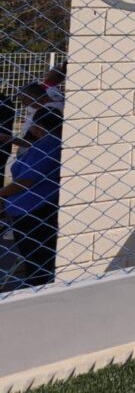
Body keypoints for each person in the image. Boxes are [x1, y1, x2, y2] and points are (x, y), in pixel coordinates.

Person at [0, 104, 62, 288]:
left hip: (33, 211)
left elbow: (27, 180)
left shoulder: (50, 145)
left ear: (39, 126)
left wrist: (1, 195)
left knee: (35, 257)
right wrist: (12, 139)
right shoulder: (49, 143)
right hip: (28, 209)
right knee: (34, 256)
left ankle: (36, 288)